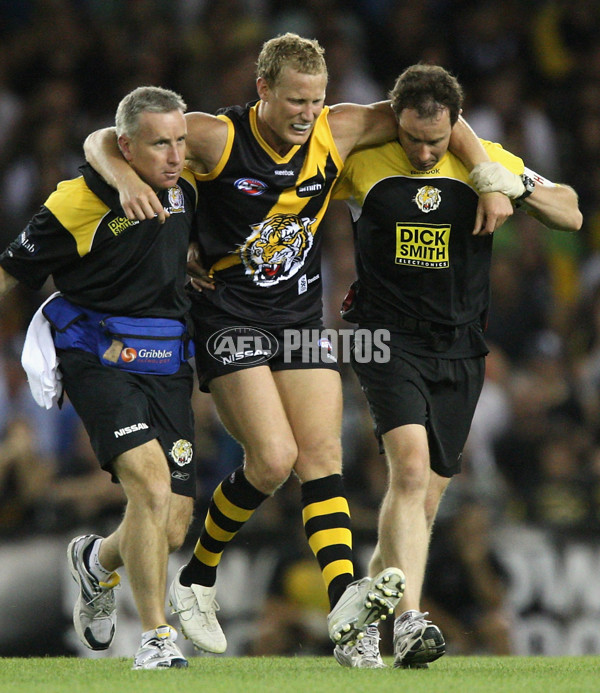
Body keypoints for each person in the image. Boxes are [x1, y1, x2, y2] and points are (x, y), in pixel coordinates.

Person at [83, 33, 509, 662]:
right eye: (294, 101)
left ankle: (349, 611)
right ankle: (198, 578)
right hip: (227, 314)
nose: (307, 113)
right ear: (263, 90)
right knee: (273, 458)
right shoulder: (216, 137)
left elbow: (433, 116)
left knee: (321, 455)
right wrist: (123, 179)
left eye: (316, 99)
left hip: (298, 316)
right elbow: (101, 139)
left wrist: (488, 175)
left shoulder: (337, 131)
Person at [332, 63, 583, 668]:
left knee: (421, 502)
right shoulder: (363, 160)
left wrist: (505, 182)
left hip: (461, 347)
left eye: (435, 141)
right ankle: (410, 625)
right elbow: (300, 159)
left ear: (454, 128)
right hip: (384, 338)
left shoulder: (483, 163)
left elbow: (571, 211)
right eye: (412, 138)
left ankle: (359, 627)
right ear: (397, 121)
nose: (422, 152)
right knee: (410, 472)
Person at [0, 86, 200, 669]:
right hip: (97, 351)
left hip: (165, 359)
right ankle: (157, 639)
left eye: (180, 141)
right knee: (150, 486)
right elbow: (12, 273)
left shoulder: (183, 191)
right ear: (125, 147)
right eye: (160, 143)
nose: (174, 155)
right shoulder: (75, 203)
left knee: (171, 526)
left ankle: (95, 563)